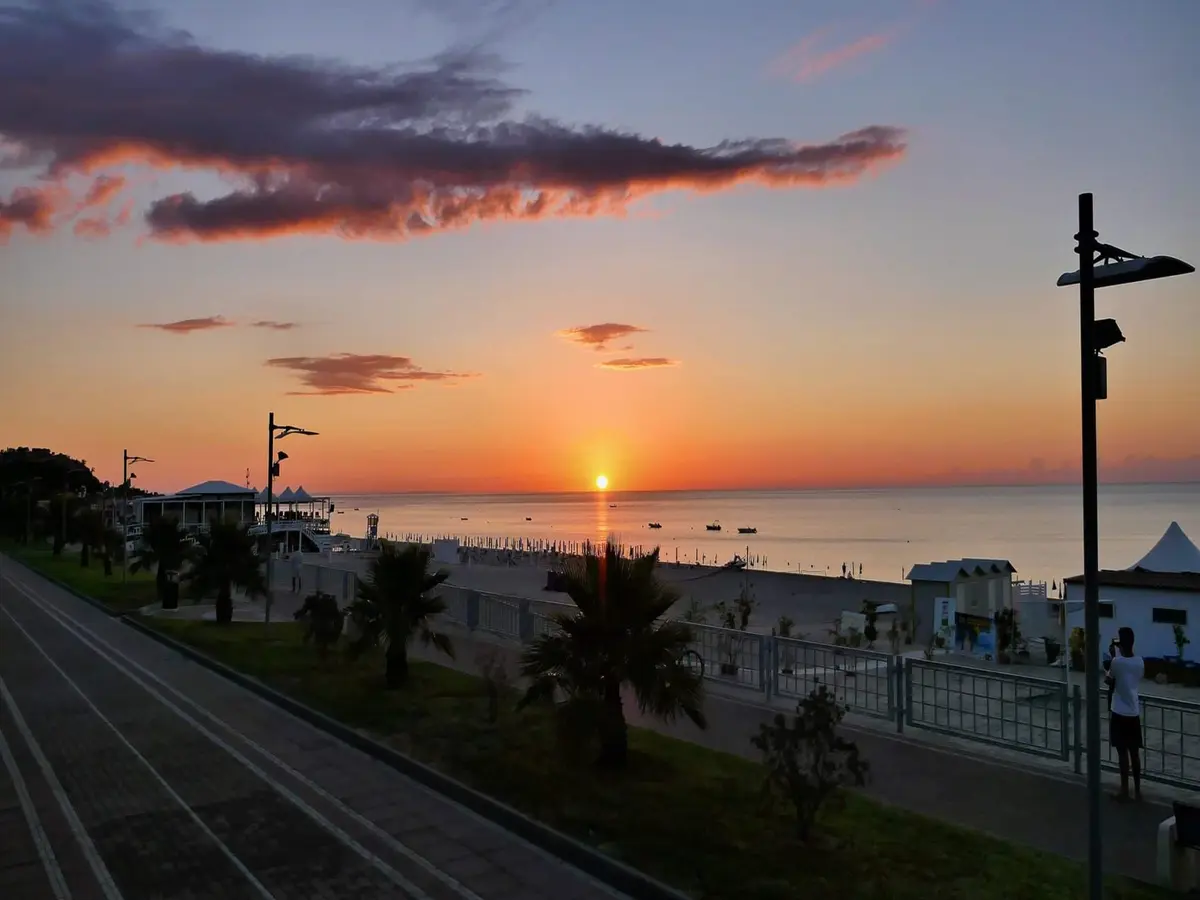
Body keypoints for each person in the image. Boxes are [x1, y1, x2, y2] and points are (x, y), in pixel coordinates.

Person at [1106, 626, 1144, 802]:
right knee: (1134, 753)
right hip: (1133, 711)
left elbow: (1109, 679)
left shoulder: (1117, 662)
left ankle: (1124, 790)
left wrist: (1113, 656)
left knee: (1122, 753)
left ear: (1121, 643)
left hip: (1119, 711)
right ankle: (1137, 791)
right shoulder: (1140, 662)